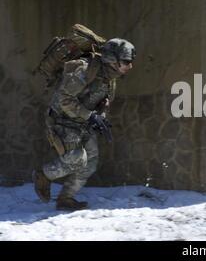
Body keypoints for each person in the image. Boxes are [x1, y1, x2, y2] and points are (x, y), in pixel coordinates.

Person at [33, 38, 136, 211]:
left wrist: (100, 117)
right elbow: (65, 100)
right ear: (113, 60)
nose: (130, 66)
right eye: (126, 62)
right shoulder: (85, 69)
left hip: (83, 122)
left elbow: (104, 102)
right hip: (62, 120)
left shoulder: (110, 78)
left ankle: (65, 198)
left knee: (91, 162)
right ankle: (43, 175)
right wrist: (90, 116)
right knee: (77, 160)